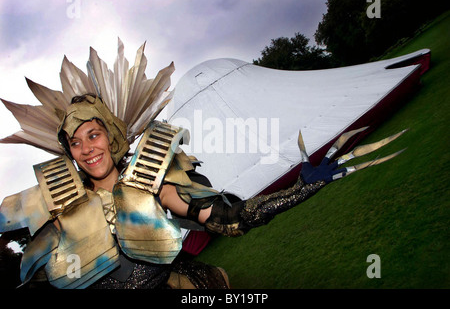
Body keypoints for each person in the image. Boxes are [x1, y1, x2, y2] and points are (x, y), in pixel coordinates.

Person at [0, 40, 405, 289]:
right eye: (75, 142)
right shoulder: (56, 203)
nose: (87, 148)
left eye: (93, 135)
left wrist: (298, 191)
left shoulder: (154, 180)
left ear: (111, 137)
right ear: (68, 152)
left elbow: (228, 218)